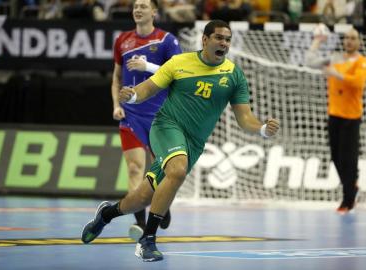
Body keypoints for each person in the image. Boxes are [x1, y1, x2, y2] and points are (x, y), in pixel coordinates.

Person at [81, 20, 280, 262]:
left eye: (227, 39)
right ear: (205, 40)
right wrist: (132, 97)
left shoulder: (233, 75)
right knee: (177, 170)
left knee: (141, 198)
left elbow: (244, 117)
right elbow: (147, 89)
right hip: (166, 127)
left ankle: (106, 214)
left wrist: (261, 129)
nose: (224, 43)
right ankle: (147, 241)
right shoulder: (179, 63)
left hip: (193, 144)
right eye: (219, 38)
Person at [109, 0, 182, 240]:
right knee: (134, 168)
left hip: (159, 115)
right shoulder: (122, 40)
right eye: (135, 6)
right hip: (130, 114)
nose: (137, 9)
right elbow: (116, 78)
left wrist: (147, 65)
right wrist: (117, 105)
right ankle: (140, 224)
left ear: (154, 12)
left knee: (160, 171)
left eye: (143, 6)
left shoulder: (166, 40)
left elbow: (178, 74)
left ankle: (163, 205)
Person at [305, 26, 366, 214]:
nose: (349, 41)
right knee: (336, 157)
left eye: (353, 38)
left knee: (348, 159)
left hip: (351, 117)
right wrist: (317, 40)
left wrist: (334, 73)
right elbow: (310, 62)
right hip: (334, 114)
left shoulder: (362, 62)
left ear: (359, 42)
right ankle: (352, 187)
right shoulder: (335, 58)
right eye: (346, 38)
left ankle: (347, 200)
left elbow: (357, 83)